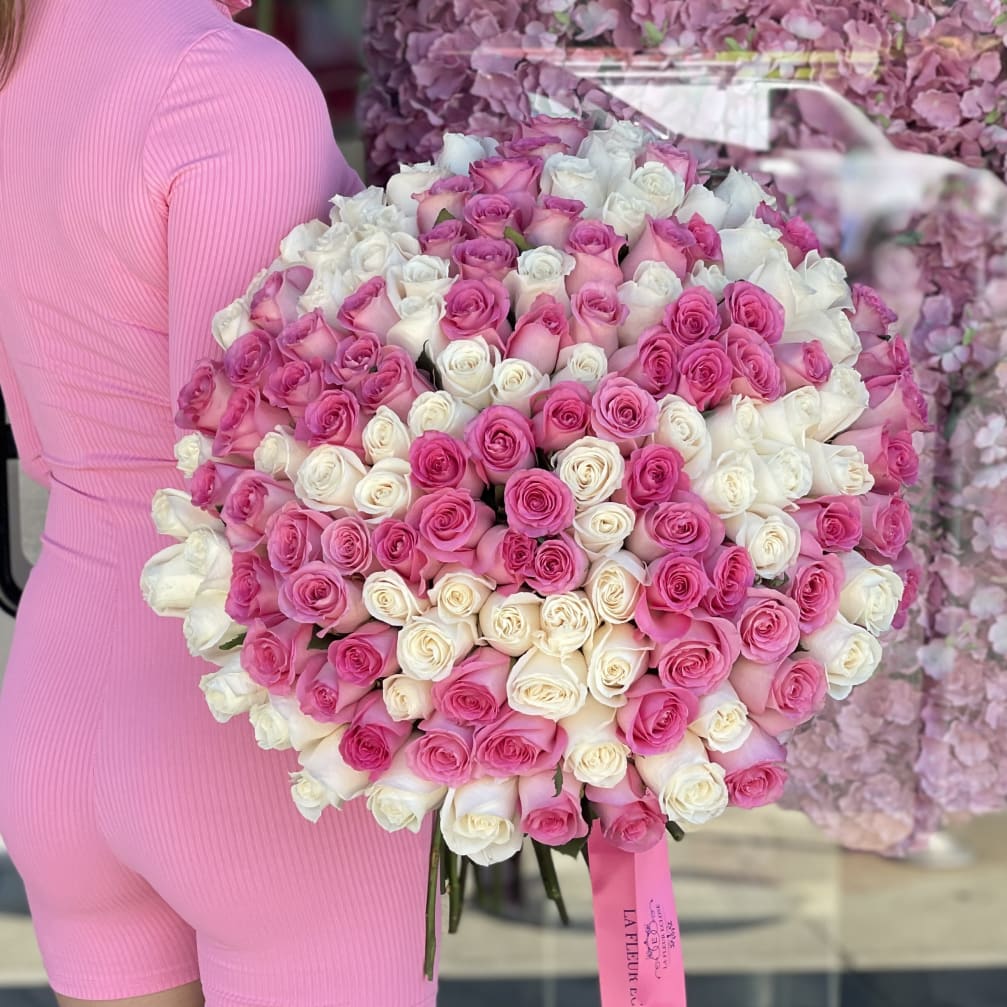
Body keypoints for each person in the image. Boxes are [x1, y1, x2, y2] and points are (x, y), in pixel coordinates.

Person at [0, 1, 434, 1005]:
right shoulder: (225, 82)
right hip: (248, 718)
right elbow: (259, 453)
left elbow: (34, 432)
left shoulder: (16, 63)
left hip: (56, 696)